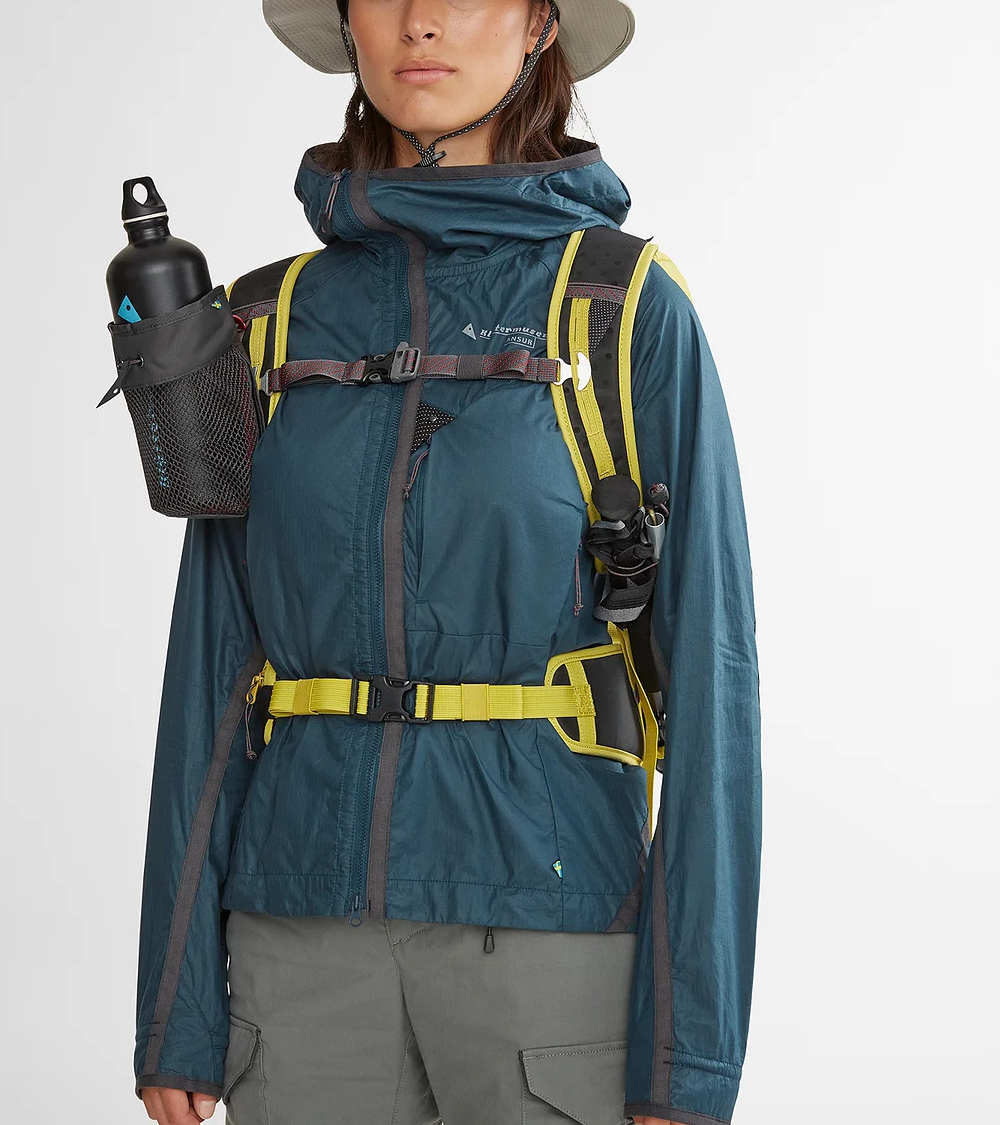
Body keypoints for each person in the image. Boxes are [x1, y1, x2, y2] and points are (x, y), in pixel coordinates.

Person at [134, 0, 761, 1122]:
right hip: (297, 945)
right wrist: (174, 1005)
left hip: (551, 940)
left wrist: (689, 1052)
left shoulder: (617, 309)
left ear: (539, 26)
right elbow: (210, 671)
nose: (420, 22)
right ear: (348, 26)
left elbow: (715, 680)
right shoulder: (266, 321)